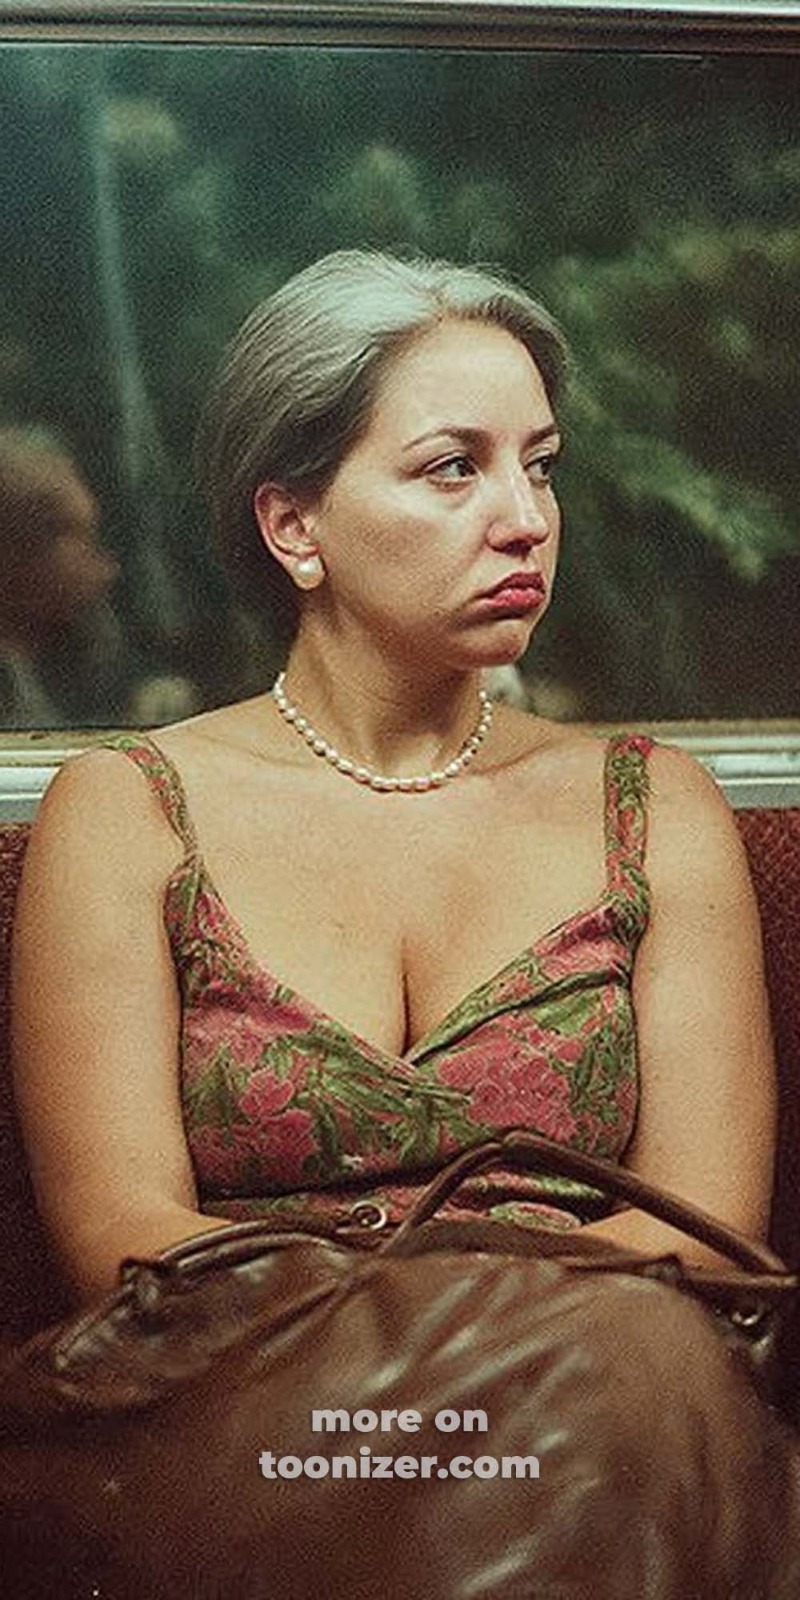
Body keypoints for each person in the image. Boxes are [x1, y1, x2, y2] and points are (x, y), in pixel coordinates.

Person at [10, 249, 775, 1304]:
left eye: (539, 464)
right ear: (293, 525)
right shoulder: (129, 812)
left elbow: (709, 1228)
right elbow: (116, 1235)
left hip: (586, 1388)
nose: (526, 520)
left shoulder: (651, 809)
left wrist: (483, 1342)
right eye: (453, 467)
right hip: (244, 1385)